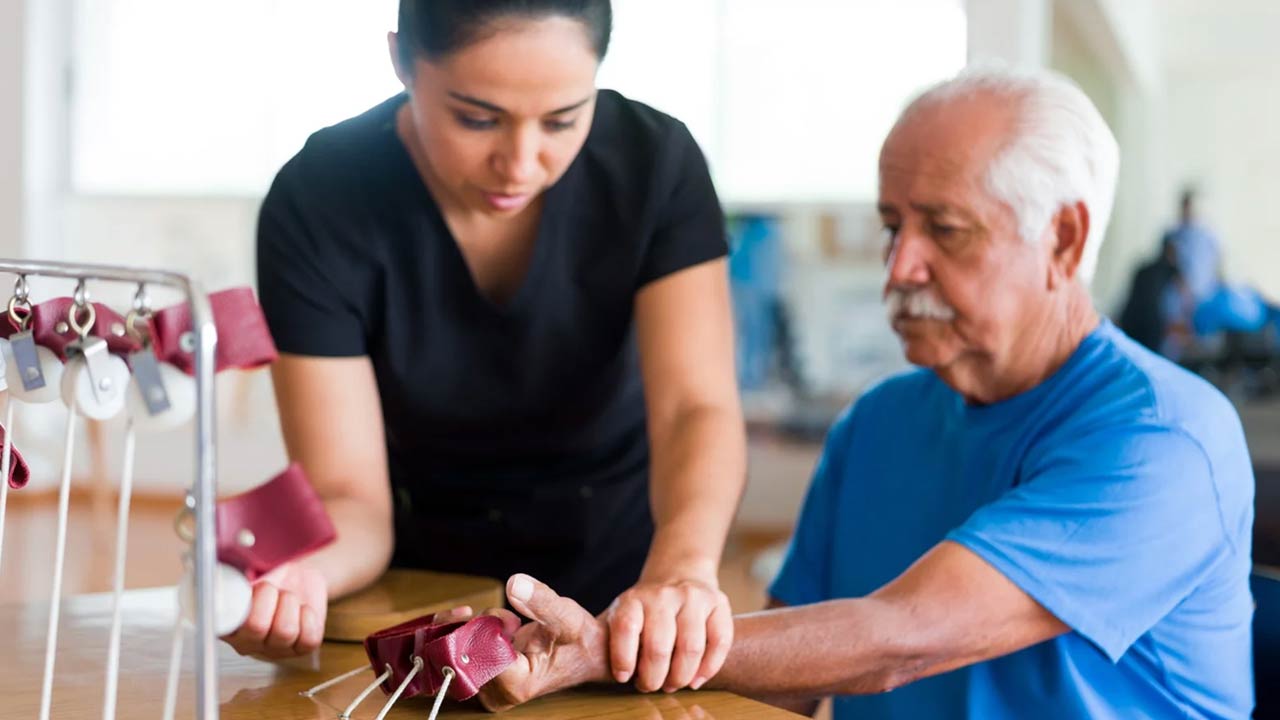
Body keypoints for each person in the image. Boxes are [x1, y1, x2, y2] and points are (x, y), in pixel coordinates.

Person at [467, 67, 1256, 719]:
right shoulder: (879, 422)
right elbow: (794, 684)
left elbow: (902, 637)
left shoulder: (1165, 440)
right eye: (891, 226)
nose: (899, 266)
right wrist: (610, 661)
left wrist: (610, 649)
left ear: (1064, 239)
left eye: (944, 229)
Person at [242, 0, 746, 694]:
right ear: (401, 61)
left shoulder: (654, 163)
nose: (521, 164)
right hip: (423, 594)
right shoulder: (319, 199)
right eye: (477, 119)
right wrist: (297, 576)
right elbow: (348, 494)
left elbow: (696, 407)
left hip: (628, 584)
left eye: (562, 120)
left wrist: (682, 571)